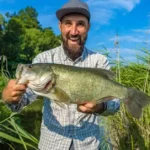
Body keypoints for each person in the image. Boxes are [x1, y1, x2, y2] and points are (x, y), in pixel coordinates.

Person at [2, 0, 120, 149]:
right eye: (68, 23)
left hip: (88, 145)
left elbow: (115, 104)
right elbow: (22, 102)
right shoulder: (43, 59)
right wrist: (9, 98)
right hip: (52, 145)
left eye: (80, 24)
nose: (74, 31)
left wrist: (100, 107)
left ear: (88, 27)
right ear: (60, 26)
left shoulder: (99, 61)